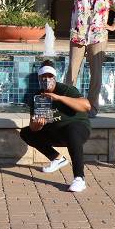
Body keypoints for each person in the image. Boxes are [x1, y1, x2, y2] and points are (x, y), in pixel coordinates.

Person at [19, 61, 92, 193]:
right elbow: (33, 127)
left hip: (78, 128)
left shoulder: (66, 89)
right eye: (43, 77)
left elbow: (86, 106)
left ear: (55, 77)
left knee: (72, 130)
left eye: (50, 76)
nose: (47, 80)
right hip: (55, 131)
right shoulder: (37, 97)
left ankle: (79, 178)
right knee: (26, 132)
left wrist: (59, 98)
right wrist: (37, 125)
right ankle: (57, 159)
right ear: (39, 79)